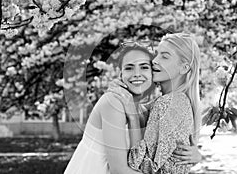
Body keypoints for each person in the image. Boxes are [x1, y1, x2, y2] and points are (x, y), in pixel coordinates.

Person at [64, 43, 200, 174]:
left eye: (144, 67)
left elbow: (163, 145)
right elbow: (120, 170)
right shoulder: (114, 103)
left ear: (153, 71)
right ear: (120, 74)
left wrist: (195, 154)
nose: (136, 74)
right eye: (129, 68)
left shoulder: (146, 108)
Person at [110, 33, 202, 173]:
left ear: (184, 68)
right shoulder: (174, 101)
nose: (154, 60)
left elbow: (139, 164)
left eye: (164, 56)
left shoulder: (169, 103)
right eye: (156, 54)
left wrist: (133, 118)